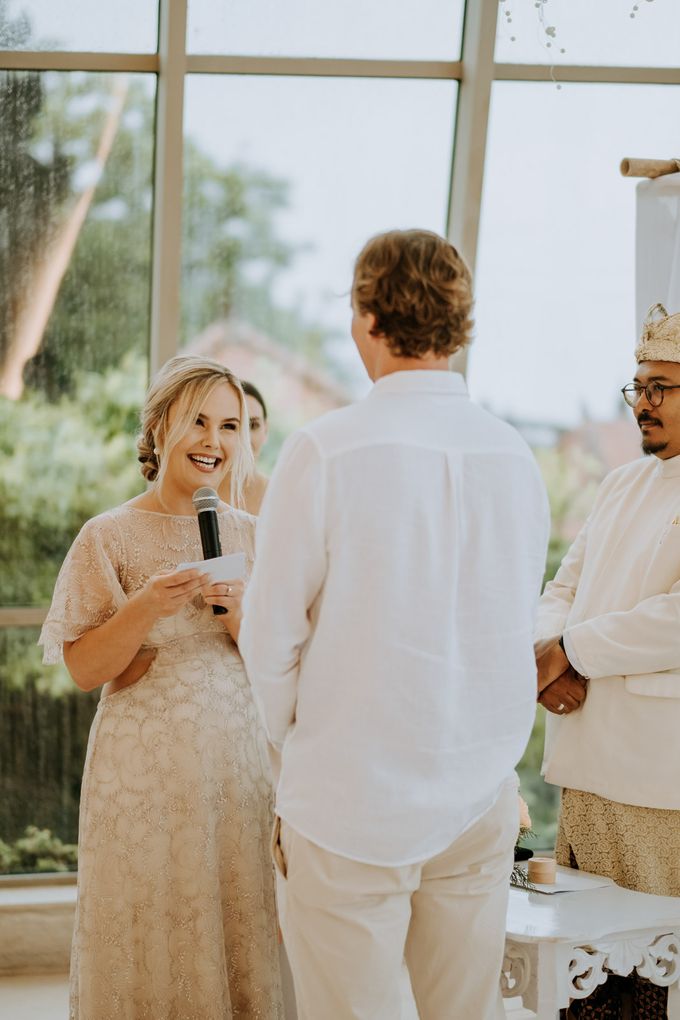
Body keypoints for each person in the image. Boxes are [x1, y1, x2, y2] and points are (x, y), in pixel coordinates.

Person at [239, 229, 550, 1020]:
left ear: (366, 317)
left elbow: (269, 636)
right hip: (476, 793)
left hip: (347, 797)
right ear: (461, 323)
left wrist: (294, 752)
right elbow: (512, 622)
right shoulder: (515, 458)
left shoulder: (326, 452)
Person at [39, 355, 284, 1020]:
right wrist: (145, 607)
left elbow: (293, 668)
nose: (213, 440)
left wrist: (241, 620)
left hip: (240, 769)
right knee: (147, 917)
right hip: (140, 775)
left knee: (243, 918)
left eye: (229, 425)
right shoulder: (107, 535)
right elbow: (86, 669)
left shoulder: (263, 539)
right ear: (160, 427)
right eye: (197, 421)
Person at [536, 303, 680, 1019]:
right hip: (585, 766)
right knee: (581, 975)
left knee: (649, 971)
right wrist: (545, 656)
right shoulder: (621, 483)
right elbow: (564, 586)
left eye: (661, 388)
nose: (643, 405)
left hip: (659, 779)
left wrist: (572, 651)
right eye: (638, 387)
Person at [220, 379, 270, 515]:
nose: (245, 439)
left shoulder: (279, 495)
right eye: (232, 426)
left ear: (266, 430)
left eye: (253, 425)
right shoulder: (196, 494)